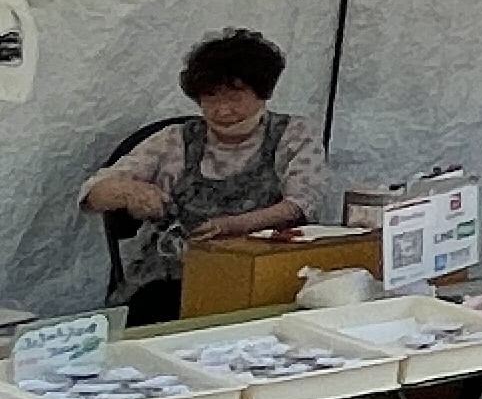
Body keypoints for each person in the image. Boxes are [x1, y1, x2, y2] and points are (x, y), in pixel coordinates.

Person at [82, 28, 340, 323]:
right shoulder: (175, 140)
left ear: (262, 92)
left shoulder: (293, 134)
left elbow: (302, 202)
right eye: (210, 97)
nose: (222, 109)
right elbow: (93, 193)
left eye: (235, 97)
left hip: (265, 274)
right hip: (176, 278)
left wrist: (234, 225)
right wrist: (130, 192)